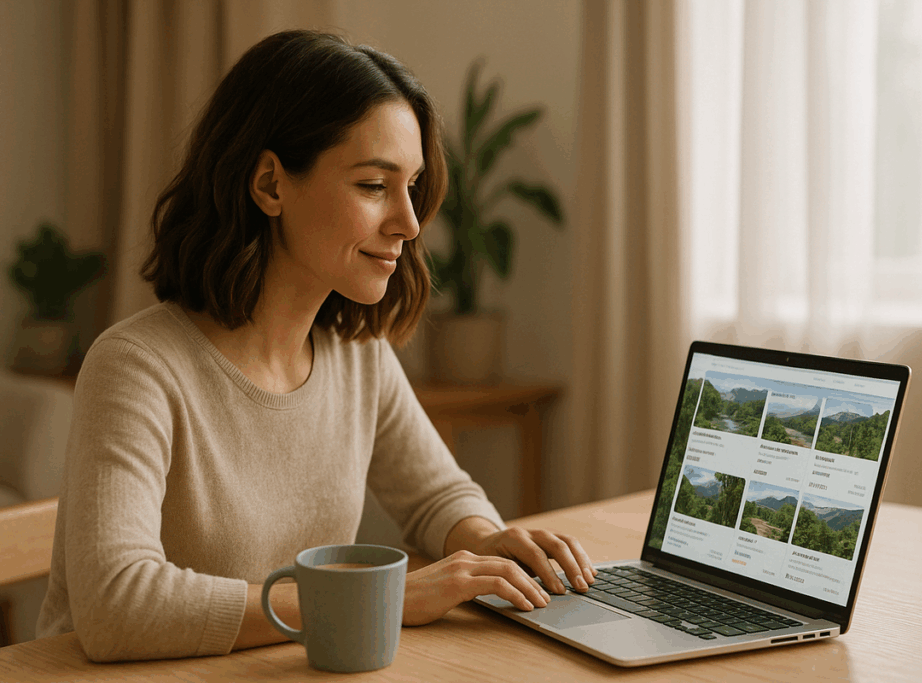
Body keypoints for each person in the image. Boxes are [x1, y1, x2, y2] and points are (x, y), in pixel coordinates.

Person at [36, 29, 594, 662]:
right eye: (373, 186)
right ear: (271, 184)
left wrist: (485, 543)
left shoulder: (357, 353)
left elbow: (438, 496)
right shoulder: (136, 368)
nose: (409, 224)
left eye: (411, 187)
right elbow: (117, 607)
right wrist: (377, 597)